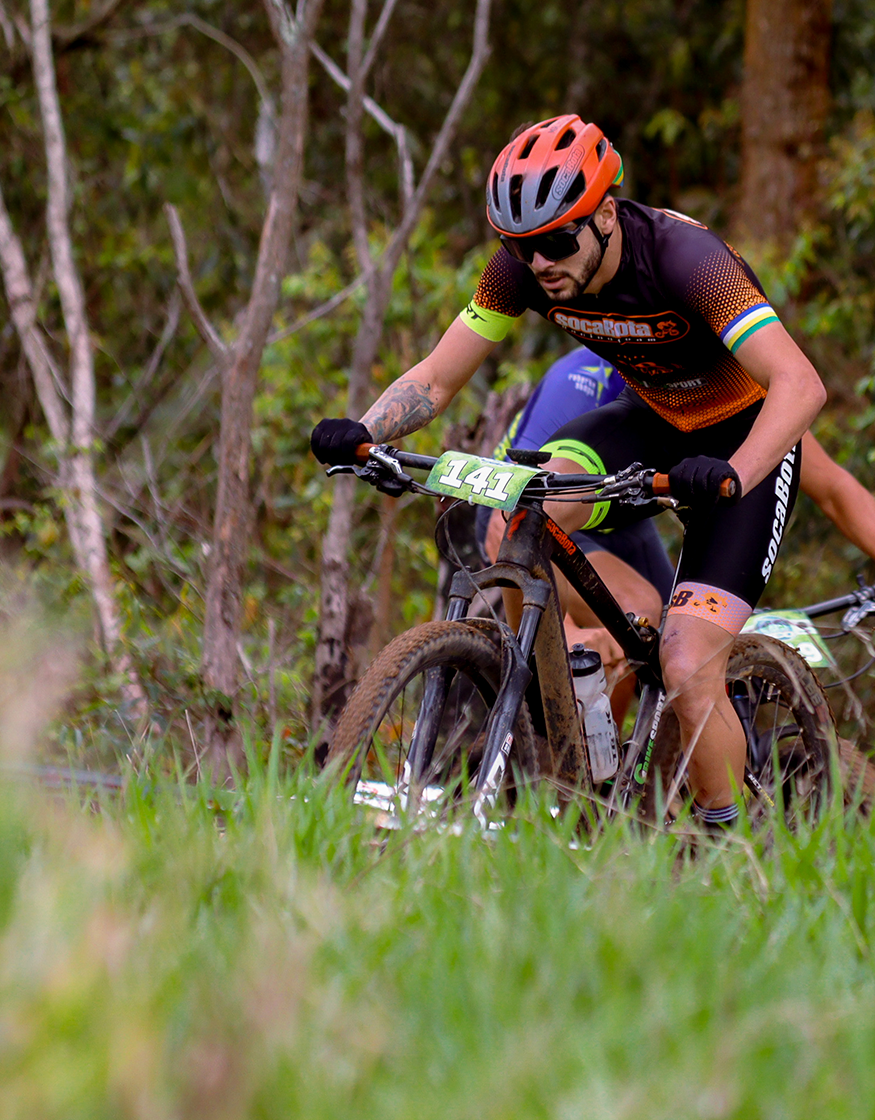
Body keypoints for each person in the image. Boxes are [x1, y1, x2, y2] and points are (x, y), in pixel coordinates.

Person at [312, 114, 830, 831]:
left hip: (741, 441)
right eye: (520, 249)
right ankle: (571, 719)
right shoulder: (523, 268)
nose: (541, 262)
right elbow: (437, 377)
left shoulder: (686, 260)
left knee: (684, 662)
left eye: (557, 241)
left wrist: (736, 475)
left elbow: (801, 386)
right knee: (529, 505)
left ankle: (734, 851)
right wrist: (365, 433)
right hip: (650, 421)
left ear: (607, 216)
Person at [476, 346, 875, 699]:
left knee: (671, 641)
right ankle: (569, 766)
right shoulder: (581, 379)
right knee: (632, 606)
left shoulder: (729, 389)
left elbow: (833, 487)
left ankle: (608, 775)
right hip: (533, 509)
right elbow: (515, 516)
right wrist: (568, 637)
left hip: (624, 523)